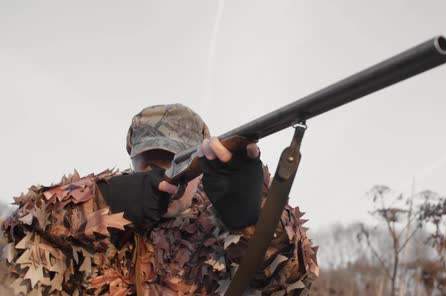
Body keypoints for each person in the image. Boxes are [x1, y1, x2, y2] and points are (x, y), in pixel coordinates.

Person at [1, 104, 318, 295]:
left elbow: (291, 283)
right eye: (149, 164)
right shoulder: (98, 232)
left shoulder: (217, 231)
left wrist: (255, 220)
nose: (165, 173)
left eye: (176, 162)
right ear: (133, 164)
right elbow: (14, 244)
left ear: (200, 168)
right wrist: (100, 201)